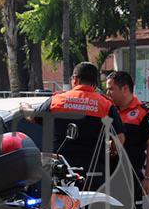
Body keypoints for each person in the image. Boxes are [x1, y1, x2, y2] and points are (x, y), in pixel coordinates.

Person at [36, 62, 125, 190]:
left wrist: (25, 108)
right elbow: (120, 139)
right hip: (94, 174)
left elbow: (34, 118)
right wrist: (110, 149)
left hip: (61, 173)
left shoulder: (57, 100)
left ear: (76, 79)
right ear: (95, 82)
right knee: (93, 208)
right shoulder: (105, 104)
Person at [106, 70, 149, 209]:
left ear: (125, 88)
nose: (107, 93)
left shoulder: (144, 113)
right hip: (107, 176)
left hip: (130, 177)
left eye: (111, 89)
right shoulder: (108, 110)